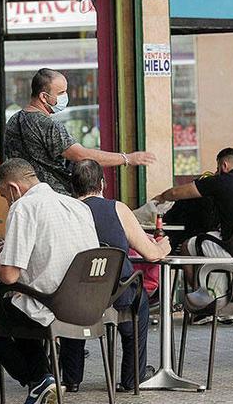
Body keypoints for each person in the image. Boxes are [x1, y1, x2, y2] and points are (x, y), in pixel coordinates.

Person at [0, 158, 99, 403]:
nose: (6, 200)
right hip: (90, 307)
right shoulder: (77, 206)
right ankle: (41, 379)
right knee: (15, 301)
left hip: (52, 307)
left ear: (13, 188)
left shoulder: (24, 207)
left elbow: (10, 275)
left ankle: (39, 378)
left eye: (3, 195)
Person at [59, 160, 171, 393]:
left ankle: (71, 379)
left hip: (74, 296)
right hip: (117, 295)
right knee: (138, 303)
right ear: (103, 184)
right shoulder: (117, 209)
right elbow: (150, 255)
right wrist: (164, 247)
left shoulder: (64, 210)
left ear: (72, 187)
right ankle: (132, 377)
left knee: (75, 298)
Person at [3, 68, 156, 195]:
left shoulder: (13, 121)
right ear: (44, 96)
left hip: (22, 196)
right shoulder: (47, 124)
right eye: (61, 93)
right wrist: (127, 158)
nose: (65, 97)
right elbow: (80, 155)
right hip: (54, 197)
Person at [154, 148, 233, 298]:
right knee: (214, 245)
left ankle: (201, 301)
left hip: (232, 249)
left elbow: (176, 193)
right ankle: (231, 301)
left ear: (224, 166)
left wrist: (162, 196)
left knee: (186, 247)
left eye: (218, 168)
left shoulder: (220, 181)